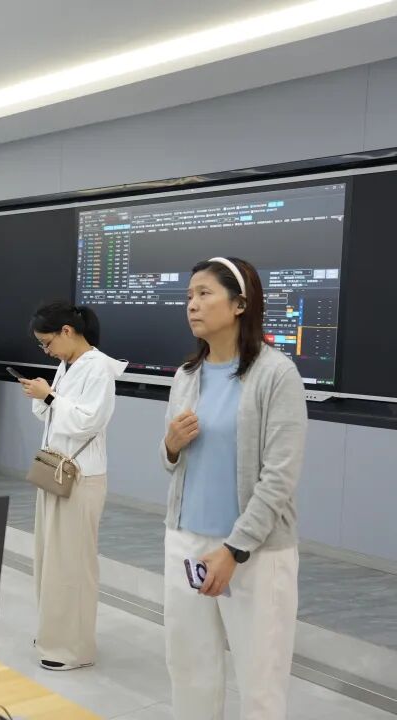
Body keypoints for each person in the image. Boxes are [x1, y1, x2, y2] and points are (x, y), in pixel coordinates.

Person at [162, 257, 306, 720]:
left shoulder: (276, 374)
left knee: (260, 680)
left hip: (254, 552)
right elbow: (174, 464)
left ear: (240, 304)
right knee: (190, 670)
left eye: (204, 294)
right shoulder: (187, 376)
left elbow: (279, 478)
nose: (192, 305)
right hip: (186, 541)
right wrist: (170, 445)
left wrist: (233, 550)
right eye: (189, 296)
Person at [16, 301, 126, 671]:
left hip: (81, 476)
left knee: (73, 563)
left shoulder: (98, 368)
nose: (46, 350)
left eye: (47, 342)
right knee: (51, 559)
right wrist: (44, 395)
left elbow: (88, 422)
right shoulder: (68, 364)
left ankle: (73, 648)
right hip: (56, 470)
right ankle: (53, 634)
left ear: (67, 331)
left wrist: (49, 396)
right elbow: (51, 414)